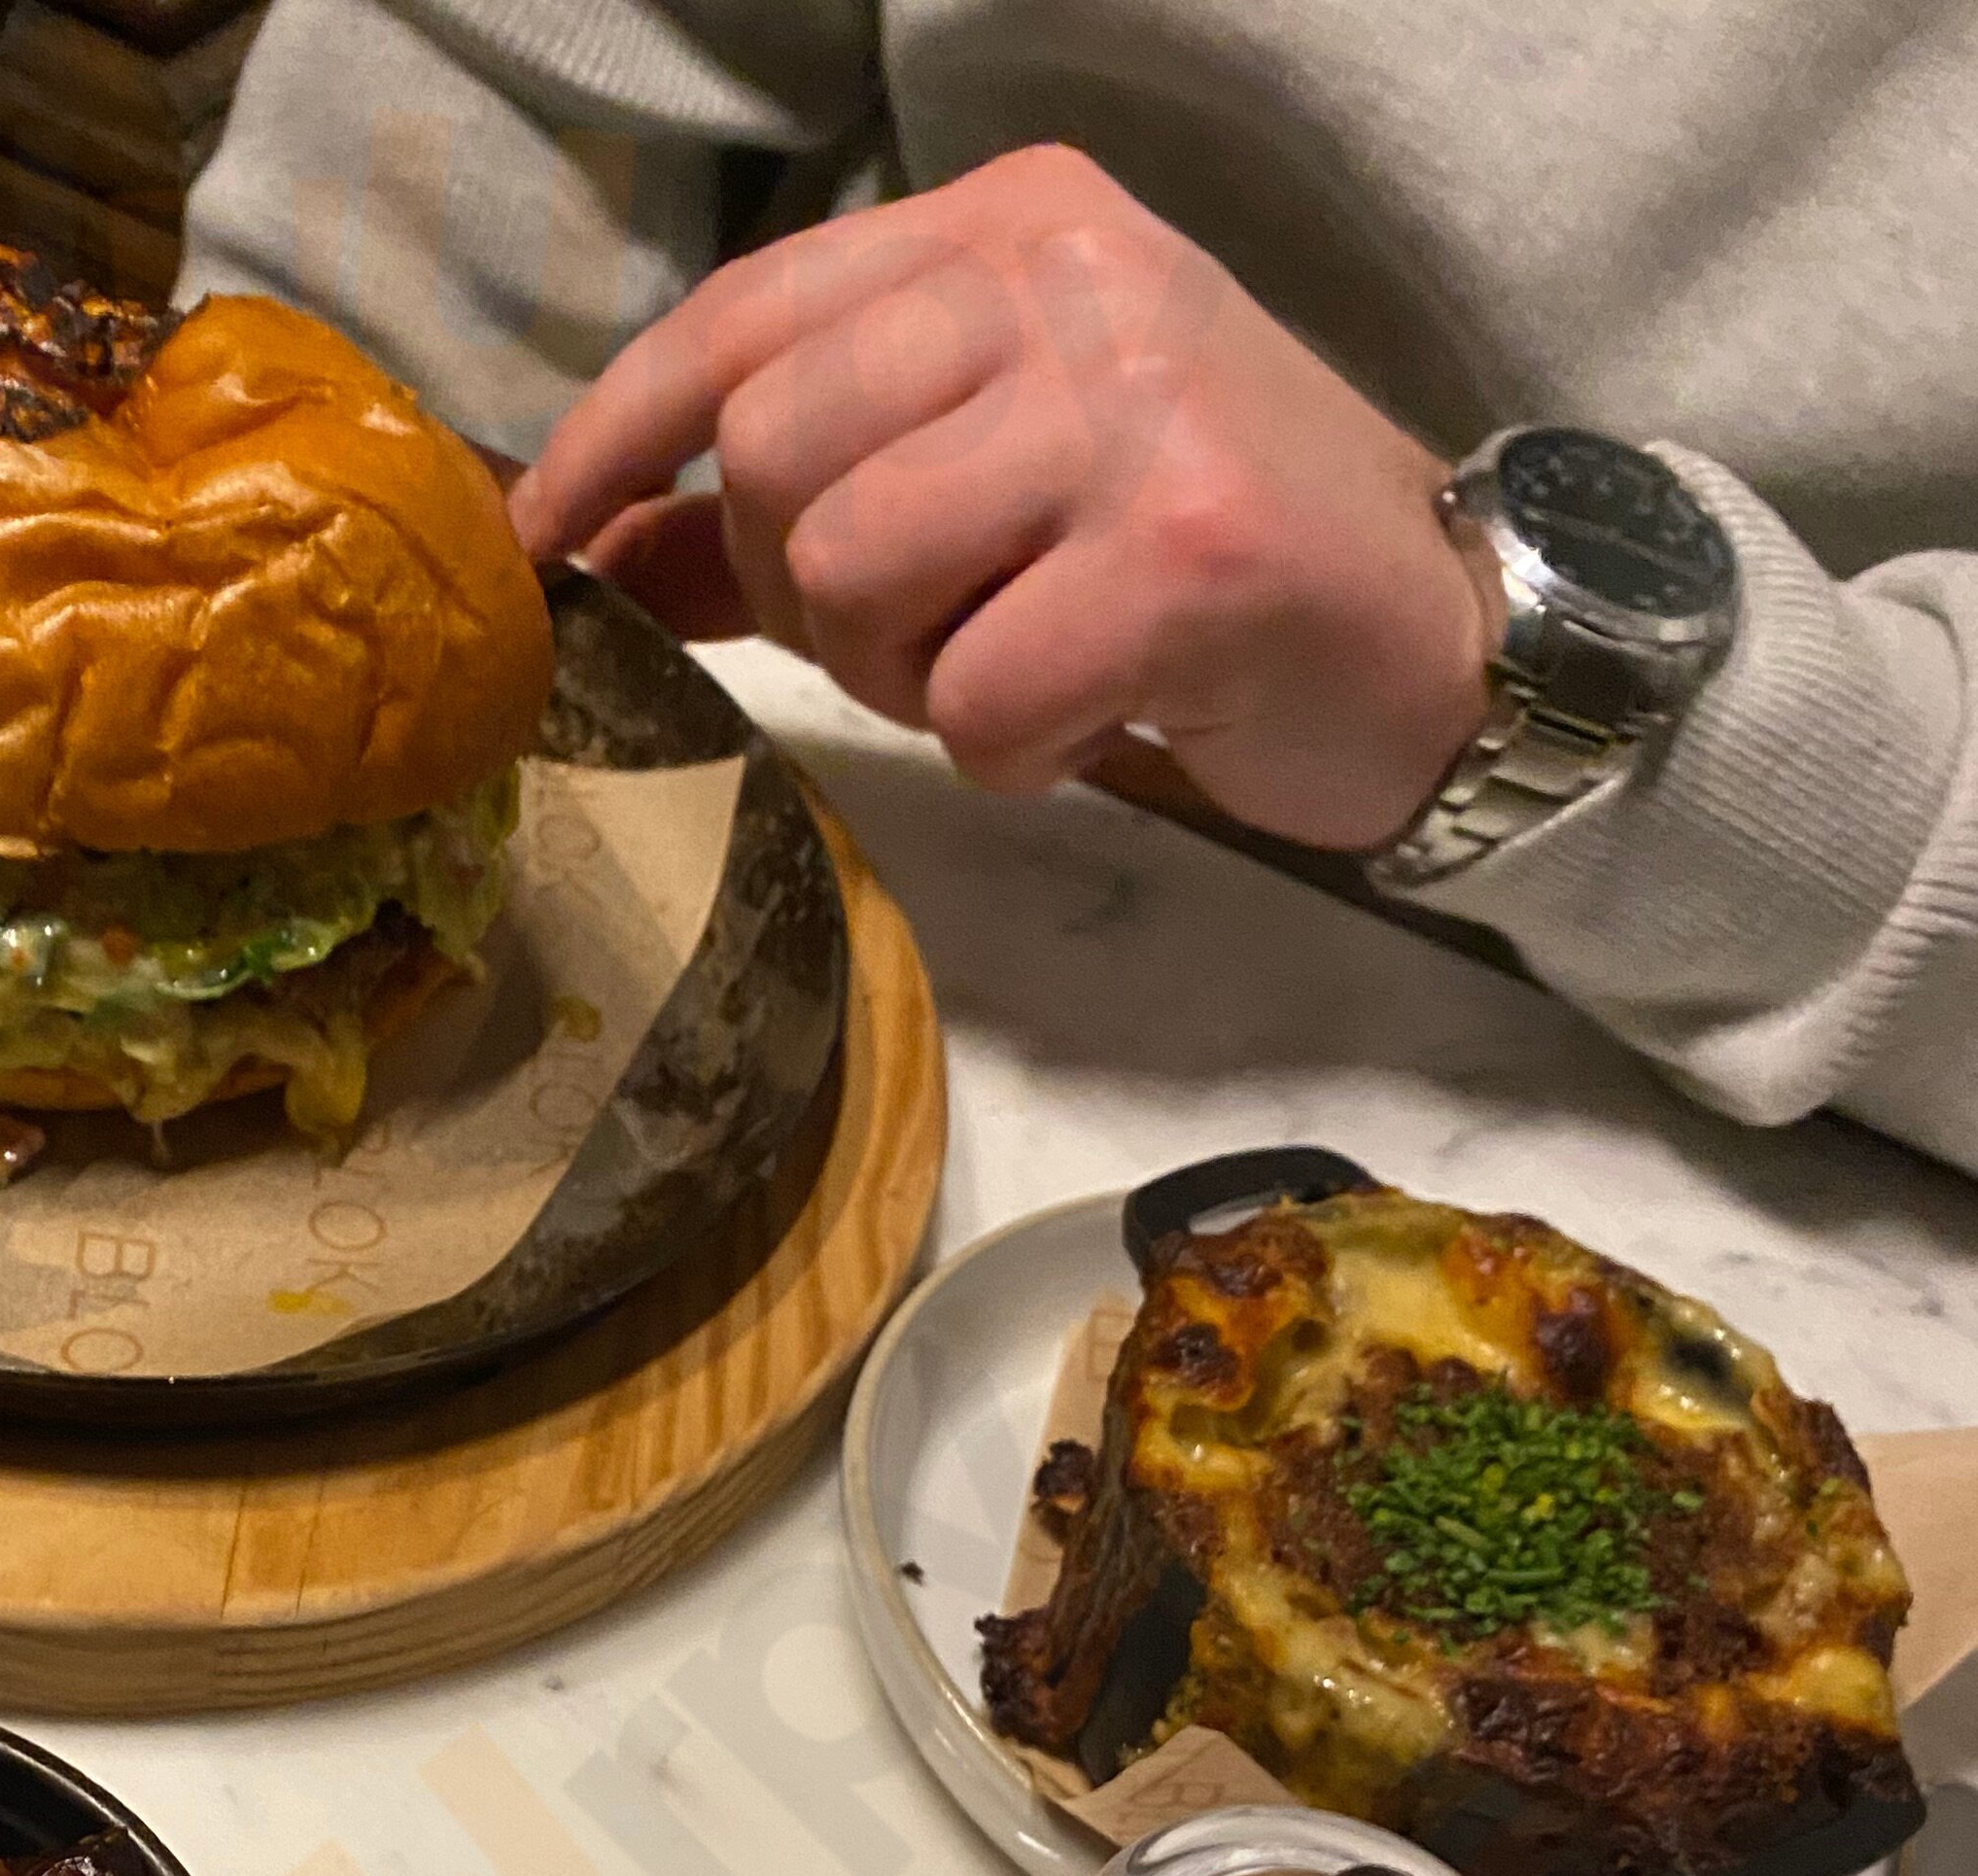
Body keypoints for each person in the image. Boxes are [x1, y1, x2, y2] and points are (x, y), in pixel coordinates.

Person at [182, 3, 1978, 1174]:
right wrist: (341, 515)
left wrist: (1525, 676)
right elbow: (535, 58)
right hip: (857, 779)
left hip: (1822, 1115)